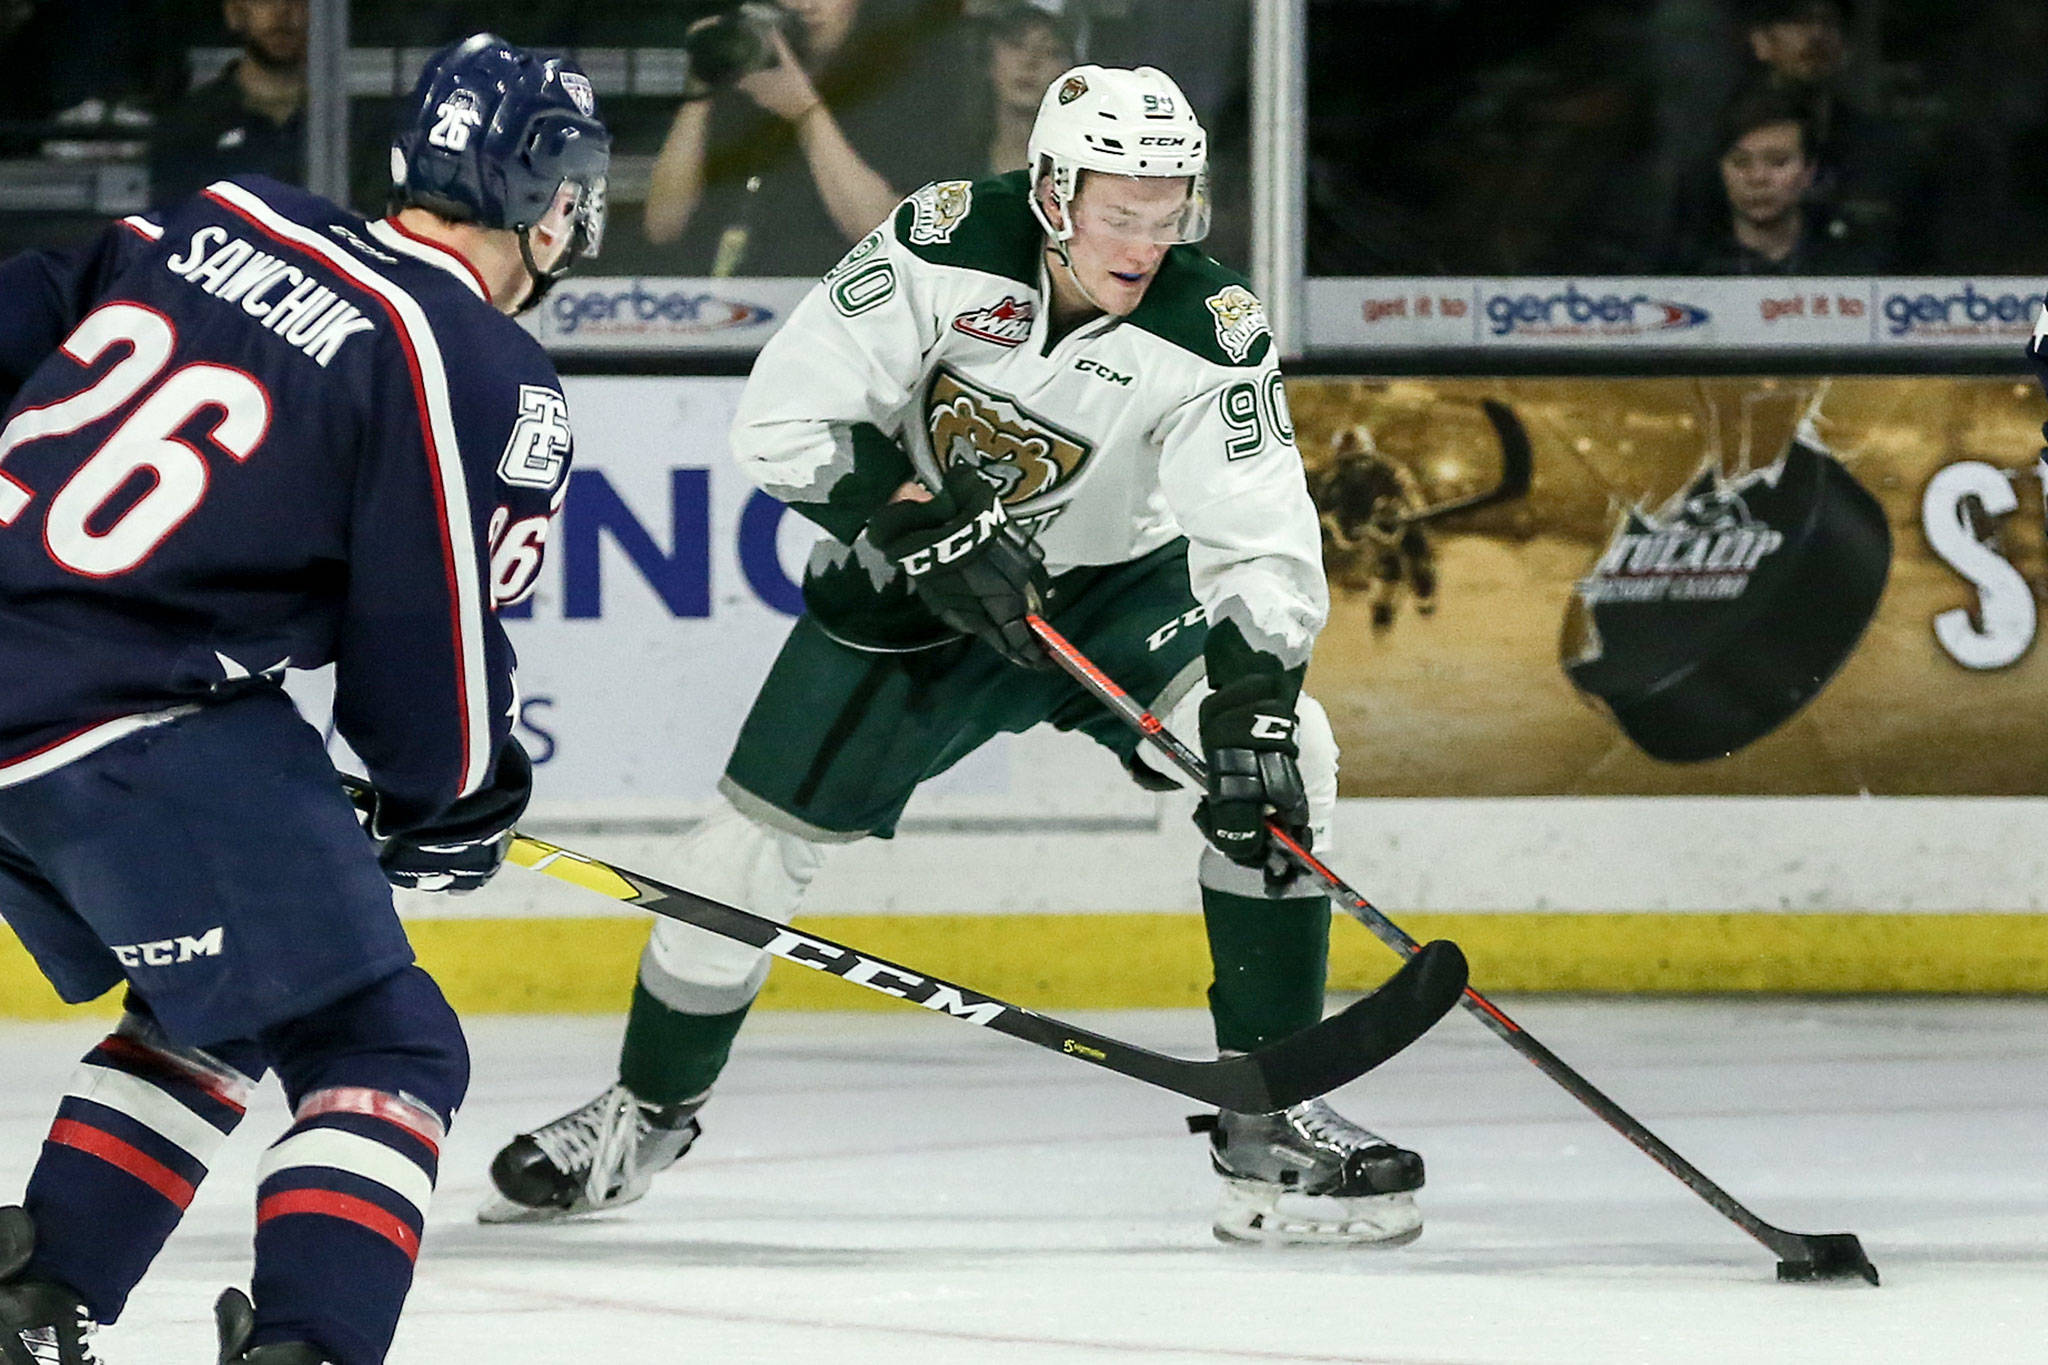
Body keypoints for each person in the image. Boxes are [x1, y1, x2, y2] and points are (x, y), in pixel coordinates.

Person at [484, 63, 1430, 1250]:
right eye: (1116, 211)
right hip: (911, 599)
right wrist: (907, 521)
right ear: (1050, 192)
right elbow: (784, 413)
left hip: (1111, 593)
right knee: (738, 854)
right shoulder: (938, 242)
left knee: (1289, 769)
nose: (1144, 240)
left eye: (1168, 208)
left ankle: (1271, 1116)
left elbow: (1259, 539)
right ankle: (646, 1114)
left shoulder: (1209, 326)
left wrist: (1254, 707)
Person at [0, 32, 607, 1365]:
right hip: (127, 719)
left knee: (223, 1001)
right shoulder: (478, 366)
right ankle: (312, 1345)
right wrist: (447, 796)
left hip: (35, 702)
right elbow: (427, 627)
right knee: (388, 1043)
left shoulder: (228, 213)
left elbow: (24, 309)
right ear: (553, 200)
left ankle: (36, 1298)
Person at [640, 0, 961, 276]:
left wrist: (805, 112)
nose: (807, 6)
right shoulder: (746, 81)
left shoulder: (901, 83)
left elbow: (882, 232)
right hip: (728, 310)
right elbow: (663, 226)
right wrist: (702, 89)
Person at [1659, 83, 1881, 274]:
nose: (1757, 178)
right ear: (1720, 169)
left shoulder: (1852, 263)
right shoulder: (1683, 265)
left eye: (1777, 162)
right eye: (1740, 162)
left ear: (1808, 171)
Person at [150, 0, 310, 206]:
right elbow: (173, 225)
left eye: (299, 1)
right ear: (234, 13)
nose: (282, 12)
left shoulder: (349, 119)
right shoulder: (188, 124)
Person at [968, 2, 1075, 176]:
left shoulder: (1080, 173)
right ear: (989, 59)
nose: (1030, 61)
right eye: (1016, 45)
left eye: (1050, 51)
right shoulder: (944, 161)